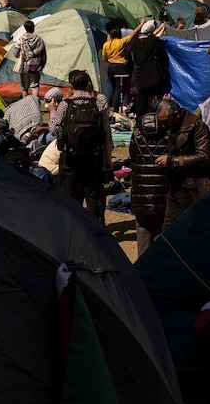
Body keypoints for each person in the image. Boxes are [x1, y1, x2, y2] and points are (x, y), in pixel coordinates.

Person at [50, 69, 112, 221]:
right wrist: (107, 157)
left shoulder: (65, 105)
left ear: (71, 86)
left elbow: (53, 129)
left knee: (68, 195)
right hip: (93, 156)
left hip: (70, 157)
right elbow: (106, 132)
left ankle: (71, 228)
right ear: (88, 84)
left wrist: (52, 112)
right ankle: (95, 229)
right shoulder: (98, 103)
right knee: (92, 196)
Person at [154, 98, 210, 232]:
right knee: (168, 230)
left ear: (175, 114)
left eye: (165, 122)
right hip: (176, 185)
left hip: (193, 188)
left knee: (194, 229)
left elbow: (205, 156)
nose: (163, 126)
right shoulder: (171, 127)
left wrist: (172, 161)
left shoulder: (196, 126)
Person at [127, 113, 171, 255]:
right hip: (163, 185)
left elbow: (132, 154)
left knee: (143, 229)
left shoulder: (138, 130)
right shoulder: (169, 130)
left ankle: (142, 268)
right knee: (161, 227)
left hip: (141, 185)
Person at [129, 21, 170, 115]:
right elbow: (156, 36)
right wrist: (163, 27)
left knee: (141, 98)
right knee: (153, 99)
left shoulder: (137, 44)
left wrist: (160, 27)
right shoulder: (152, 42)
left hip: (140, 77)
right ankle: (154, 117)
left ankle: (139, 119)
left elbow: (153, 35)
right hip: (153, 76)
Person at [10, 20, 47, 98]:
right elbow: (43, 55)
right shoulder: (39, 40)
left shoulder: (21, 40)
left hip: (25, 67)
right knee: (35, 86)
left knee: (24, 88)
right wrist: (42, 65)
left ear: (25, 28)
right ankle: (35, 104)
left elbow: (15, 54)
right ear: (33, 28)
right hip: (36, 67)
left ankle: (25, 105)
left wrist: (22, 55)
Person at [102, 26, 131, 114]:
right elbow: (133, 35)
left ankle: (107, 106)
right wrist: (140, 25)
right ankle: (116, 108)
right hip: (121, 67)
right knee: (120, 88)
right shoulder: (121, 42)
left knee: (112, 86)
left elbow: (104, 58)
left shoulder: (106, 44)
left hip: (111, 67)